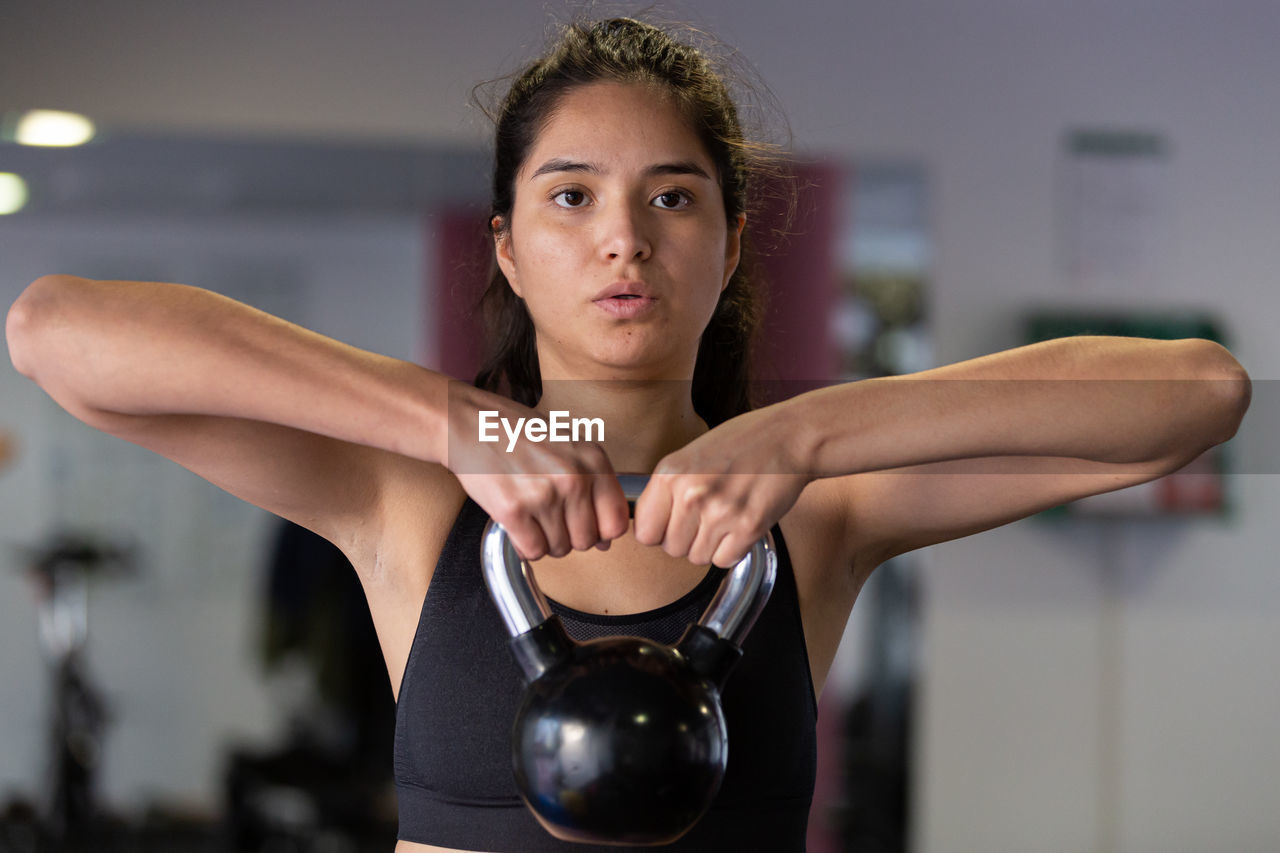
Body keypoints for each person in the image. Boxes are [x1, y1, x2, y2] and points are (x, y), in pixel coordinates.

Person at [4, 16, 1251, 853]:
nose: (623, 238)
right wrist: (457, 421)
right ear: (505, 244)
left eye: (672, 195)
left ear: (728, 238)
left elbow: (1194, 396)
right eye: (570, 196)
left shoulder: (814, 512)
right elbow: (58, 332)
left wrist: (807, 432)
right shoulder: (413, 498)